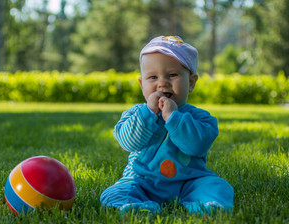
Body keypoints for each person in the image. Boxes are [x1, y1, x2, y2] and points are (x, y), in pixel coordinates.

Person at [100, 36, 234, 214]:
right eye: (153, 77)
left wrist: (173, 117)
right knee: (112, 193)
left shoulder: (201, 119)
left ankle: (203, 207)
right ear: (142, 84)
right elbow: (128, 142)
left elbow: (196, 146)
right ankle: (138, 208)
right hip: (142, 181)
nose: (162, 83)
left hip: (189, 181)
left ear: (191, 82)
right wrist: (148, 114)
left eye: (172, 75)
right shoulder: (136, 114)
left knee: (218, 186)